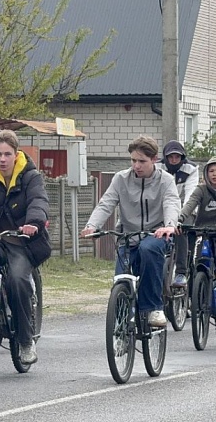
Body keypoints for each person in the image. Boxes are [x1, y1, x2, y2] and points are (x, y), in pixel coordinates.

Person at [80, 136, 180, 328]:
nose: (136, 166)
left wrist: (169, 225)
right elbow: (106, 203)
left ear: (154, 159)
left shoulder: (166, 180)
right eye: (133, 160)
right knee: (121, 280)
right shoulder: (121, 179)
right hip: (128, 235)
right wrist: (92, 226)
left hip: (157, 234)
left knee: (148, 250)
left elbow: (171, 203)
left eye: (142, 161)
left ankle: (154, 308)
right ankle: (122, 327)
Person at [0, 130, 50, 364]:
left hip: (20, 241)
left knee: (17, 279)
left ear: (16, 154)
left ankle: (26, 341)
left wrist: (33, 222)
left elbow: (38, 200)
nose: (2, 159)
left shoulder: (30, 176)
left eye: (7, 154)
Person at [156, 140, 199, 287]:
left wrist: (180, 218)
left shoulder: (191, 169)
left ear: (183, 157)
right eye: (170, 157)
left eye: (177, 157)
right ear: (165, 157)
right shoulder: (157, 168)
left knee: (181, 231)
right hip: (163, 208)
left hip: (185, 209)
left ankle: (181, 272)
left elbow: (191, 195)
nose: (174, 160)